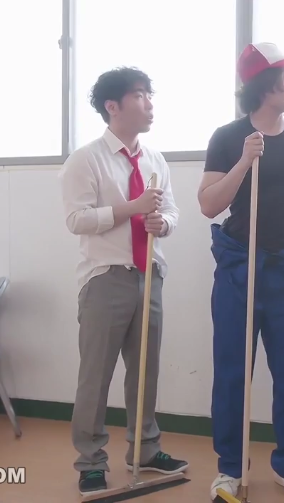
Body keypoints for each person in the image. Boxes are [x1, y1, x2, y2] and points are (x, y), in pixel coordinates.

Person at [198, 42, 284, 502]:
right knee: (232, 373)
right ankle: (230, 467)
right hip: (239, 267)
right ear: (263, 85)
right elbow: (208, 204)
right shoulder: (227, 137)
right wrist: (244, 161)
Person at [59, 66, 189, 496]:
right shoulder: (86, 159)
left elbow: (172, 211)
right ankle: (91, 461)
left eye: (150, 95)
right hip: (106, 278)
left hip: (149, 272)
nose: (149, 104)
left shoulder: (154, 159)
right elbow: (76, 220)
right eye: (140, 95)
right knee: (96, 375)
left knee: (145, 371)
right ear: (112, 106)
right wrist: (131, 208)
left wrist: (162, 223)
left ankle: (145, 451)